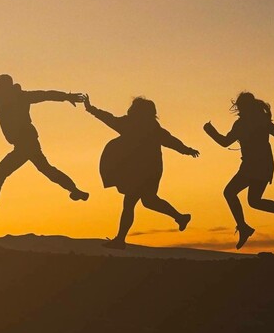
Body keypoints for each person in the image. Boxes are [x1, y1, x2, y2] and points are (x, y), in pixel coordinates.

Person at [0, 63, 89, 227]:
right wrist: (67, 97)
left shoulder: (1, 96)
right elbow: (46, 94)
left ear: (2, 86)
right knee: (46, 169)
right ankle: (76, 191)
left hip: (24, 144)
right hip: (29, 143)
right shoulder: (19, 95)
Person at [83, 94, 200, 249]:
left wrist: (91, 109)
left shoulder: (133, 124)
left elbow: (109, 119)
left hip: (141, 171)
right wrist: (187, 150)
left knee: (131, 203)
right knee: (149, 201)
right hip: (150, 170)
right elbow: (170, 140)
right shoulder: (151, 127)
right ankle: (180, 217)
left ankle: (120, 240)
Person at [204, 92, 274, 250]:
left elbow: (224, 142)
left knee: (230, 193)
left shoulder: (250, 123)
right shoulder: (256, 122)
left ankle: (244, 227)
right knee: (254, 201)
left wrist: (210, 131)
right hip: (259, 166)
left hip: (255, 166)